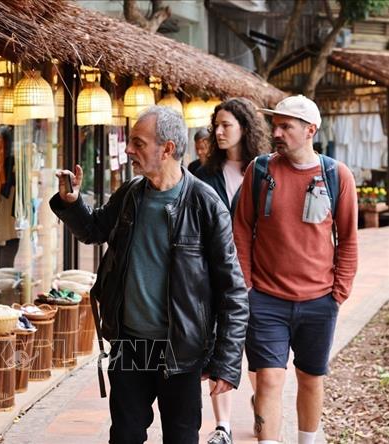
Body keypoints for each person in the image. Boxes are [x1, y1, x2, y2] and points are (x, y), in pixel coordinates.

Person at [50, 106, 249, 444]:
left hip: (182, 349)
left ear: (167, 149)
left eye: (138, 144)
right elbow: (95, 229)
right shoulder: (130, 194)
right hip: (130, 343)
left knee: (181, 436)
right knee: (125, 434)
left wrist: (226, 363)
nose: (129, 150)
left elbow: (233, 291)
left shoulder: (205, 203)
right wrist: (72, 203)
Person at [234, 95, 358, 444]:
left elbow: (348, 237)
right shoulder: (259, 171)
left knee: (310, 378)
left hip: (319, 300)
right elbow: (241, 228)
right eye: (276, 124)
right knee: (270, 379)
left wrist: (339, 292)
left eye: (286, 126)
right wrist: (246, 286)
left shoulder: (337, 175)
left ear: (310, 131)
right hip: (266, 299)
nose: (277, 132)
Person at [196, 97, 271, 444]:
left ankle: (262, 407)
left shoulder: (265, 172)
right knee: (219, 349)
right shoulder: (200, 173)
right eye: (217, 126)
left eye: (227, 125)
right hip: (214, 277)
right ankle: (222, 426)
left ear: (245, 128)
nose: (219, 132)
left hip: (256, 276)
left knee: (259, 354)